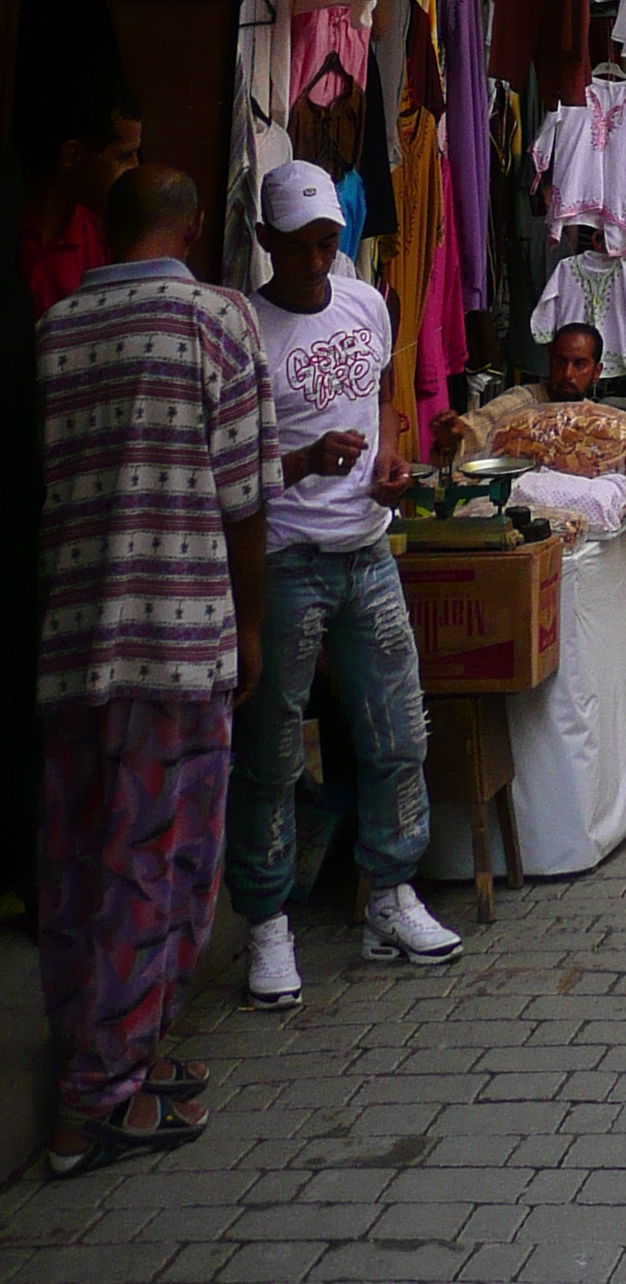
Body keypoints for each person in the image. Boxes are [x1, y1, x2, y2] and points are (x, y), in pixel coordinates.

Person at [35, 161, 275, 1173]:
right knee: (160, 861)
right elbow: (244, 495)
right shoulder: (214, 323)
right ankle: (102, 1102)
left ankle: (101, 1051)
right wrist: (252, 623)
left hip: (71, 638)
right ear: (183, 232)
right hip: (176, 643)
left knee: (79, 859)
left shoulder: (52, 334)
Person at [227, 158, 461, 1008]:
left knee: (397, 727)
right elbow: (234, 469)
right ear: (266, 245)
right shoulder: (244, 331)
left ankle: (391, 895)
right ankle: (266, 922)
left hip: (367, 550)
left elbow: (381, 404)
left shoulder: (364, 300)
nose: (319, 264)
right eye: (300, 250)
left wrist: (391, 454)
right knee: (271, 751)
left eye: (329, 245)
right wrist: (301, 461)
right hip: (286, 560)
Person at [437, 321, 626, 724]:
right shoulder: (524, 401)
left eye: (579, 364)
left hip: (597, 512)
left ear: (596, 371)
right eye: (560, 362)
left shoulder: (601, 417)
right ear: (548, 363)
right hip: (536, 510)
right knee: (618, 554)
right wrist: (457, 431)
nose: (567, 374)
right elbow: (482, 422)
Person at [18, 79, 142, 320]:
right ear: (73, 155)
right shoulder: (10, 222)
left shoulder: (104, 243)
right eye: (124, 156)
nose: (135, 168)